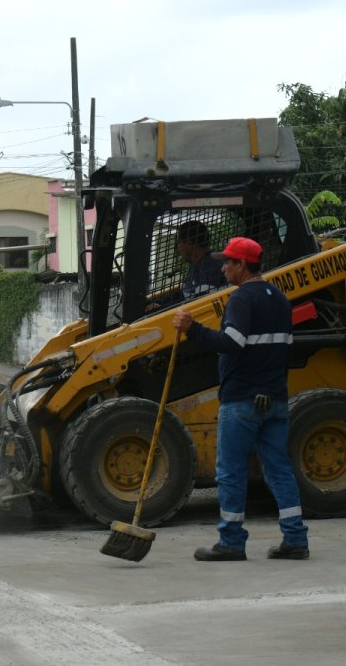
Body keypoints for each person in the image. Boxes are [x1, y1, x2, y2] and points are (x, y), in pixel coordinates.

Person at [173, 236, 309, 562]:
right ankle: (296, 539)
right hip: (275, 398)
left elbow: (232, 342)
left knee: (230, 471)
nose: (223, 269)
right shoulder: (279, 298)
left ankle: (231, 541)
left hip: (243, 399)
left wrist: (193, 330)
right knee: (279, 469)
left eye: (228, 263)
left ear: (242, 266)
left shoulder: (241, 299)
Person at [147, 220, 226, 311]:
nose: (177, 247)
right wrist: (159, 303)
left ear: (189, 244)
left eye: (179, 242)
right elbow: (183, 294)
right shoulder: (197, 265)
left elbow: (200, 305)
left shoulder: (209, 267)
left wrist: (162, 309)